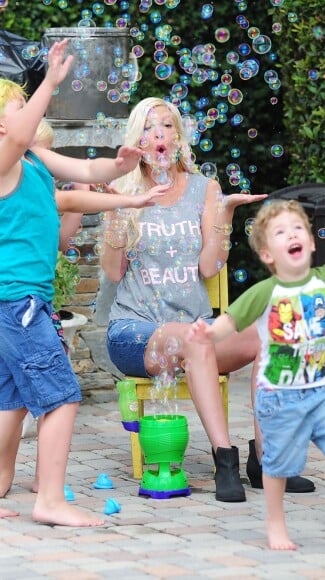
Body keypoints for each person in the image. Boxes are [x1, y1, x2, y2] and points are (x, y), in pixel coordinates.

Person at [187, 199, 325, 550]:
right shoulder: (264, 292)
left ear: (311, 242)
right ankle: (275, 524)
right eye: (280, 232)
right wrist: (207, 335)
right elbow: (229, 322)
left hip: (322, 392)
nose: (292, 234)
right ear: (267, 254)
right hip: (279, 396)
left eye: (298, 228)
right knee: (277, 465)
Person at [0, 39, 143, 525]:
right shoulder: (1, 163)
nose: (30, 118)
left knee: (9, 399)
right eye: (20, 109)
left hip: (23, 303)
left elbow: (84, 173)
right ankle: (50, 501)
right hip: (16, 302)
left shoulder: (34, 164)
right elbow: (19, 138)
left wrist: (120, 170)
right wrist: (48, 83)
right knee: (61, 396)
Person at [101, 96, 271, 503]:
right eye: (147, 127)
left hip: (196, 331)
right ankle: (224, 457)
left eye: (166, 126)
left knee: (266, 334)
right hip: (135, 331)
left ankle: (266, 459)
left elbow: (210, 266)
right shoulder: (124, 189)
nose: (158, 134)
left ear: (179, 137)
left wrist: (225, 214)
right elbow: (112, 271)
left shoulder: (204, 188)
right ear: (137, 139)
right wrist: (116, 214)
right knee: (196, 338)